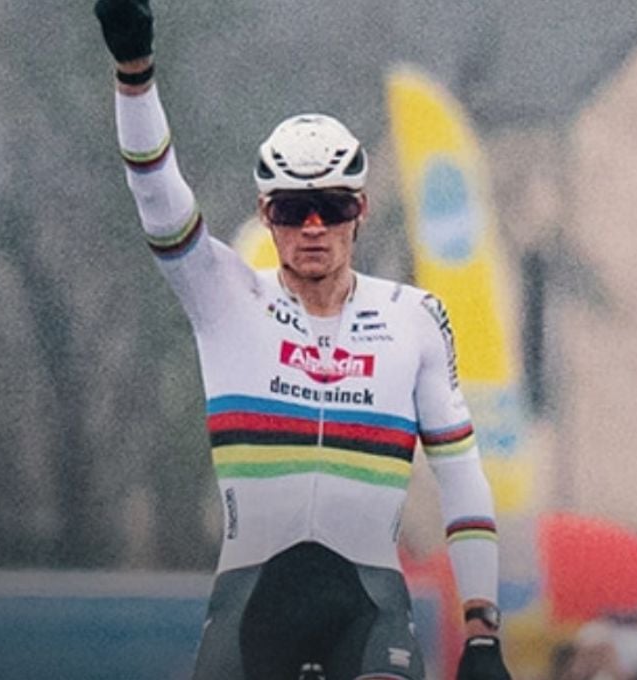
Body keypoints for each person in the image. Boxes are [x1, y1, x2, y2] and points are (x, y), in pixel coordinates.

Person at [93, 1, 512, 678]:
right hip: (252, 605)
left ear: (361, 210)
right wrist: (134, 72)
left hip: (367, 607)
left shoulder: (414, 317)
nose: (313, 227)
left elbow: (461, 474)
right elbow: (156, 193)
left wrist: (483, 633)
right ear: (266, 214)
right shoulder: (225, 296)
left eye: (333, 207)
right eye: (292, 210)